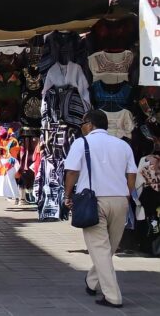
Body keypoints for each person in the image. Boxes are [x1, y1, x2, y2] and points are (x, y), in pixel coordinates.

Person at [63, 110, 137, 309]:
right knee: (108, 248)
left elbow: (72, 172)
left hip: (93, 201)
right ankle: (92, 281)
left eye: (82, 123)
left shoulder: (82, 143)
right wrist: (127, 195)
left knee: (102, 250)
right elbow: (131, 175)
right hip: (120, 200)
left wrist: (67, 195)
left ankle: (113, 296)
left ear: (90, 124)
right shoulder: (123, 145)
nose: (81, 127)